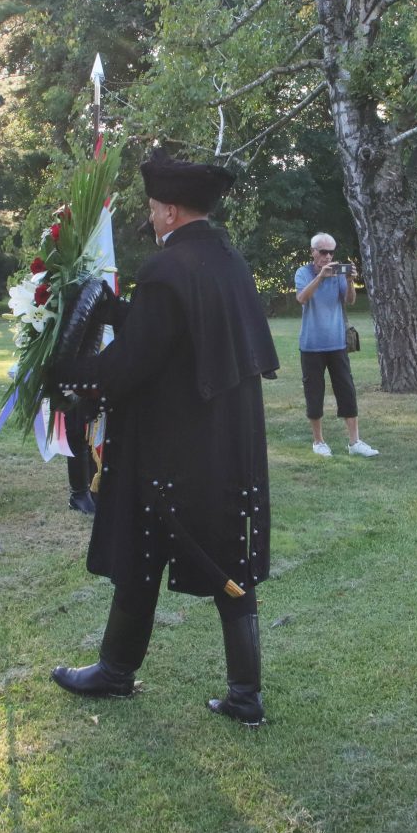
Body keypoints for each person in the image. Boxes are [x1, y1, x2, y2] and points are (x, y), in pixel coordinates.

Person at [51, 153, 279, 725]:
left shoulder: (166, 268)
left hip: (169, 446)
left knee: (143, 550)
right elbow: (180, 334)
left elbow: (133, 364)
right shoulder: (228, 259)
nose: (151, 219)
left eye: (154, 209)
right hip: (226, 444)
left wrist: (70, 374)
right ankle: (240, 694)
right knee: (222, 559)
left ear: (171, 211)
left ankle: (117, 672)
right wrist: (118, 311)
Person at [295, 232, 378, 458]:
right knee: (314, 393)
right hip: (311, 345)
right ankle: (318, 442)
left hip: (337, 343)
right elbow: (302, 298)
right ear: (313, 252)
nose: (328, 256)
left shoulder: (338, 273)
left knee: (347, 391)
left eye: (331, 252)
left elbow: (349, 300)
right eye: (323, 252)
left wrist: (349, 281)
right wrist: (320, 277)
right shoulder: (303, 273)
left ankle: (354, 442)